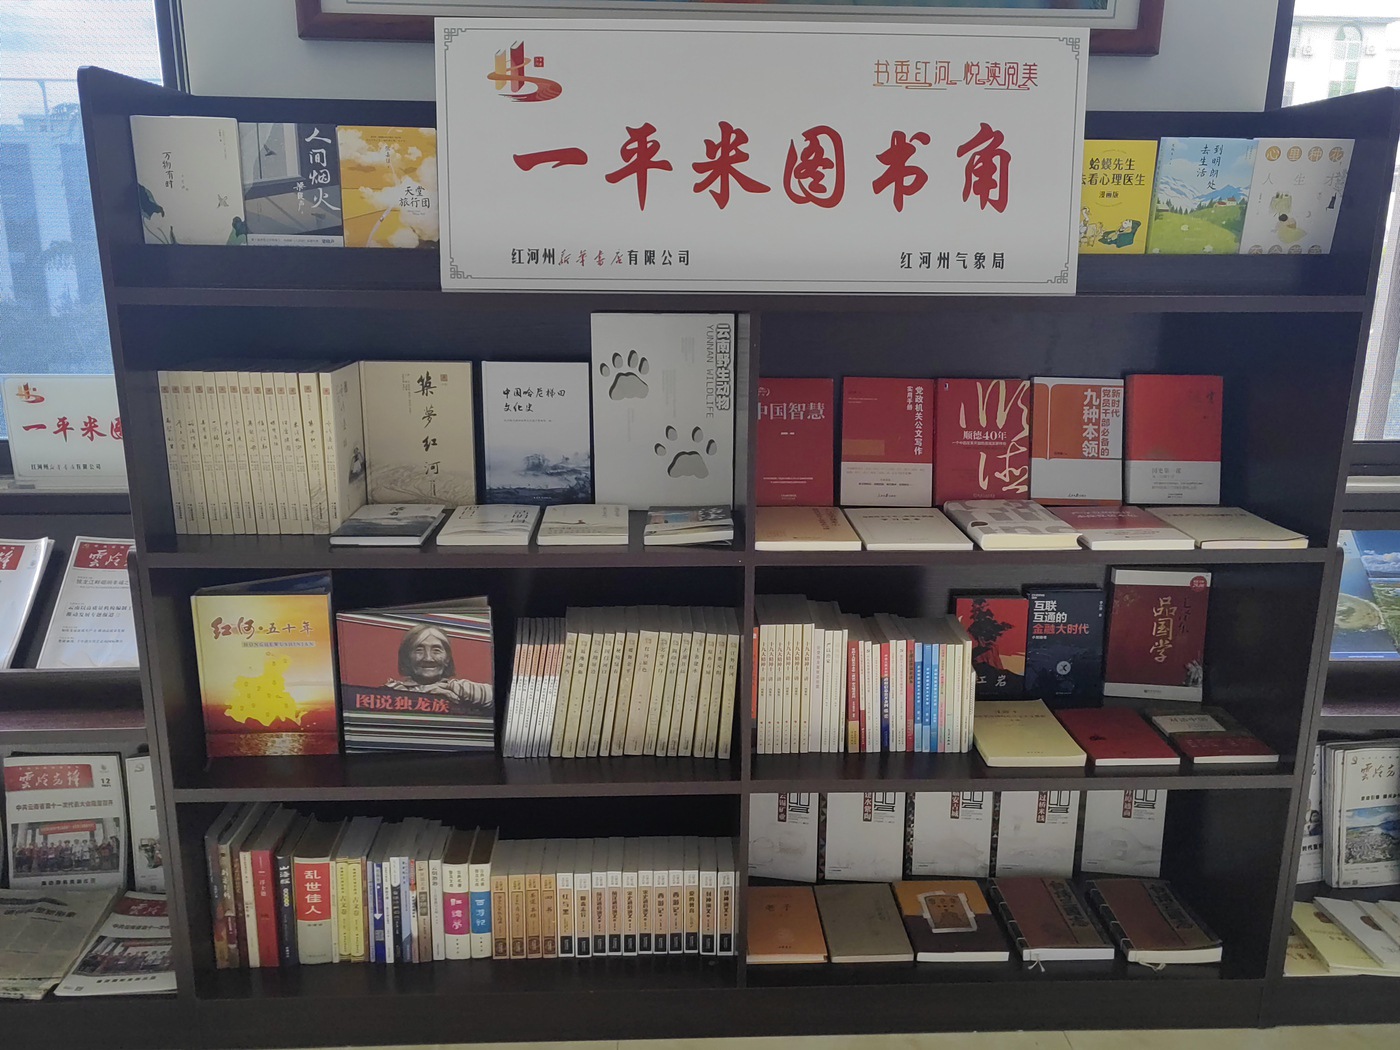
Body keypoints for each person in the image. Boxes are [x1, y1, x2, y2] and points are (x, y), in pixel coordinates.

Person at [387, 623, 492, 707]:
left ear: (447, 658)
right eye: (419, 650)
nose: (428, 658)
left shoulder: (460, 689)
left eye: (436, 650)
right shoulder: (391, 691)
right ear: (407, 658)